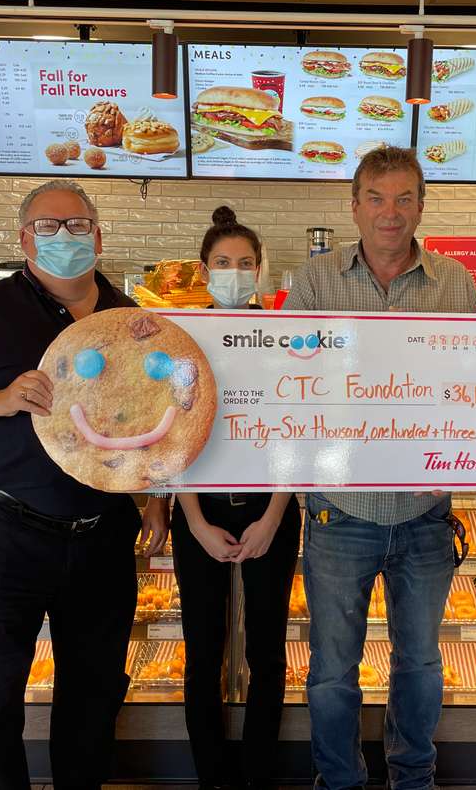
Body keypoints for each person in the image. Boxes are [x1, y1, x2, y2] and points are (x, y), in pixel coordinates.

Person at [0, 180, 165, 789]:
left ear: (99, 236)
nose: (65, 237)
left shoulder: (130, 319)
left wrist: (154, 497)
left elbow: (152, 420)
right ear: (25, 240)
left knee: (94, 697)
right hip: (5, 537)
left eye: (78, 225)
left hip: (102, 535)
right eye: (48, 226)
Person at [282, 146, 476, 790]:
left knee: (420, 663)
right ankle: (340, 781)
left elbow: (475, 382)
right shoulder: (317, 280)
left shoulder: (455, 283)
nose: (389, 213)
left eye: (403, 199)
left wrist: (462, 447)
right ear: (355, 206)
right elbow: (288, 380)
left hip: (425, 514)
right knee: (331, 669)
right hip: (340, 512)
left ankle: (413, 778)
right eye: (376, 198)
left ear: (421, 207)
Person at [144, 205, 299, 790]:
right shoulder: (183, 340)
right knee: (203, 652)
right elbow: (172, 435)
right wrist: (194, 520)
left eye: (245, 263)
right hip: (201, 513)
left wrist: (274, 515)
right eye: (223, 263)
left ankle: (258, 774)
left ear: (259, 271)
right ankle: (211, 775)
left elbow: (296, 429)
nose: (235, 273)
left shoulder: (283, 338)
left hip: (270, 512)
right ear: (205, 272)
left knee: (267, 653)